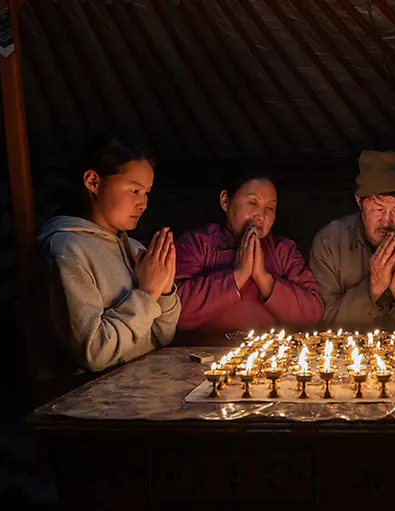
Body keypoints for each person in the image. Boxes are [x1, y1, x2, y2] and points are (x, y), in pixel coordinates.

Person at [35, 136, 180, 378]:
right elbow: (94, 354)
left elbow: (161, 337)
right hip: (85, 399)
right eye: (134, 190)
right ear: (93, 181)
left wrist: (163, 292)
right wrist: (147, 295)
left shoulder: (135, 249)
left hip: (140, 384)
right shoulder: (66, 248)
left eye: (147, 193)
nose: (143, 203)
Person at [172, 171, 323, 343]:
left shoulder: (283, 251)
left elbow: (312, 315)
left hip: (269, 358)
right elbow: (172, 312)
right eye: (253, 202)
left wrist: (264, 279)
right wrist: (238, 275)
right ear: (225, 201)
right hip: (201, 357)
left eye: (270, 208)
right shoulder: (197, 244)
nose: (261, 215)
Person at [309, 150, 395, 330]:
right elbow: (323, 322)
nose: (387, 221)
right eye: (378, 209)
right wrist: (372, 290)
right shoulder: (330, 242)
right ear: (360, 202)